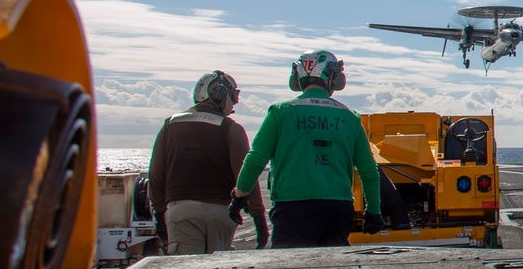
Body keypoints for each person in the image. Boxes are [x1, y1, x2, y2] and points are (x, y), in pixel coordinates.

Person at [229, 50, 383, 247]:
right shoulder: (350, 117)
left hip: (292, 209)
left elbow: (255, 159)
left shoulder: (280, 112)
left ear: (297, 76)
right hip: (337, 211)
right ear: (334, 78)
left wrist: (240, 197)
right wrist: (373, 211)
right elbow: (369, 170)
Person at [148, 71, 269, 255]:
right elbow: (246, 175)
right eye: (233, 95)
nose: (235, 102)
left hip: (181, 211)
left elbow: (156, 173)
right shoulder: (232, 129)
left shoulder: (169, 125)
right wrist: (258, 216)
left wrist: (158, 213)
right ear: (219, 94)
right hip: (221, 212)